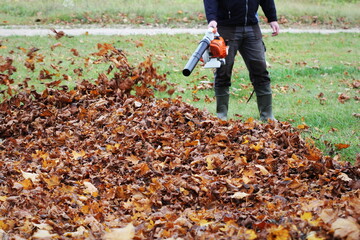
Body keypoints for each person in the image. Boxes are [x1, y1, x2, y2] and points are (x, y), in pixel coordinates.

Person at [203, 0, 280, 121]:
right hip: (226, 28)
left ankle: (267, 116)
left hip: (252, 28)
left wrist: (272, 18)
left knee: (260, 71)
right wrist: (212, 19)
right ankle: (221, 116)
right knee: (223, 71)